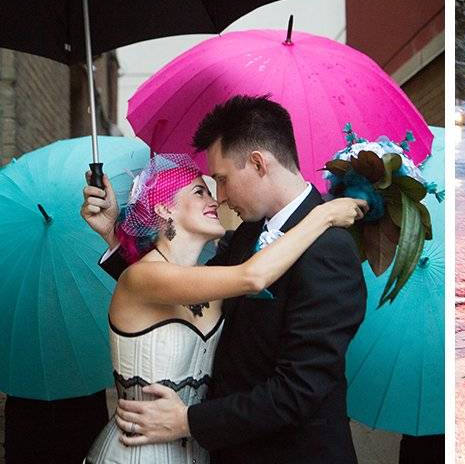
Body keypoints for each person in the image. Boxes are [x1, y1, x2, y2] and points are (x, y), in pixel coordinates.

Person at [81, 96, 368, 464]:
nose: (221, 197)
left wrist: (189, 421)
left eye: (221, 179)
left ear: (258, 163)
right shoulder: (247, 236)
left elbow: (298, 391)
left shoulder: (330, 249)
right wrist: (116, 239)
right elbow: (182, 295)